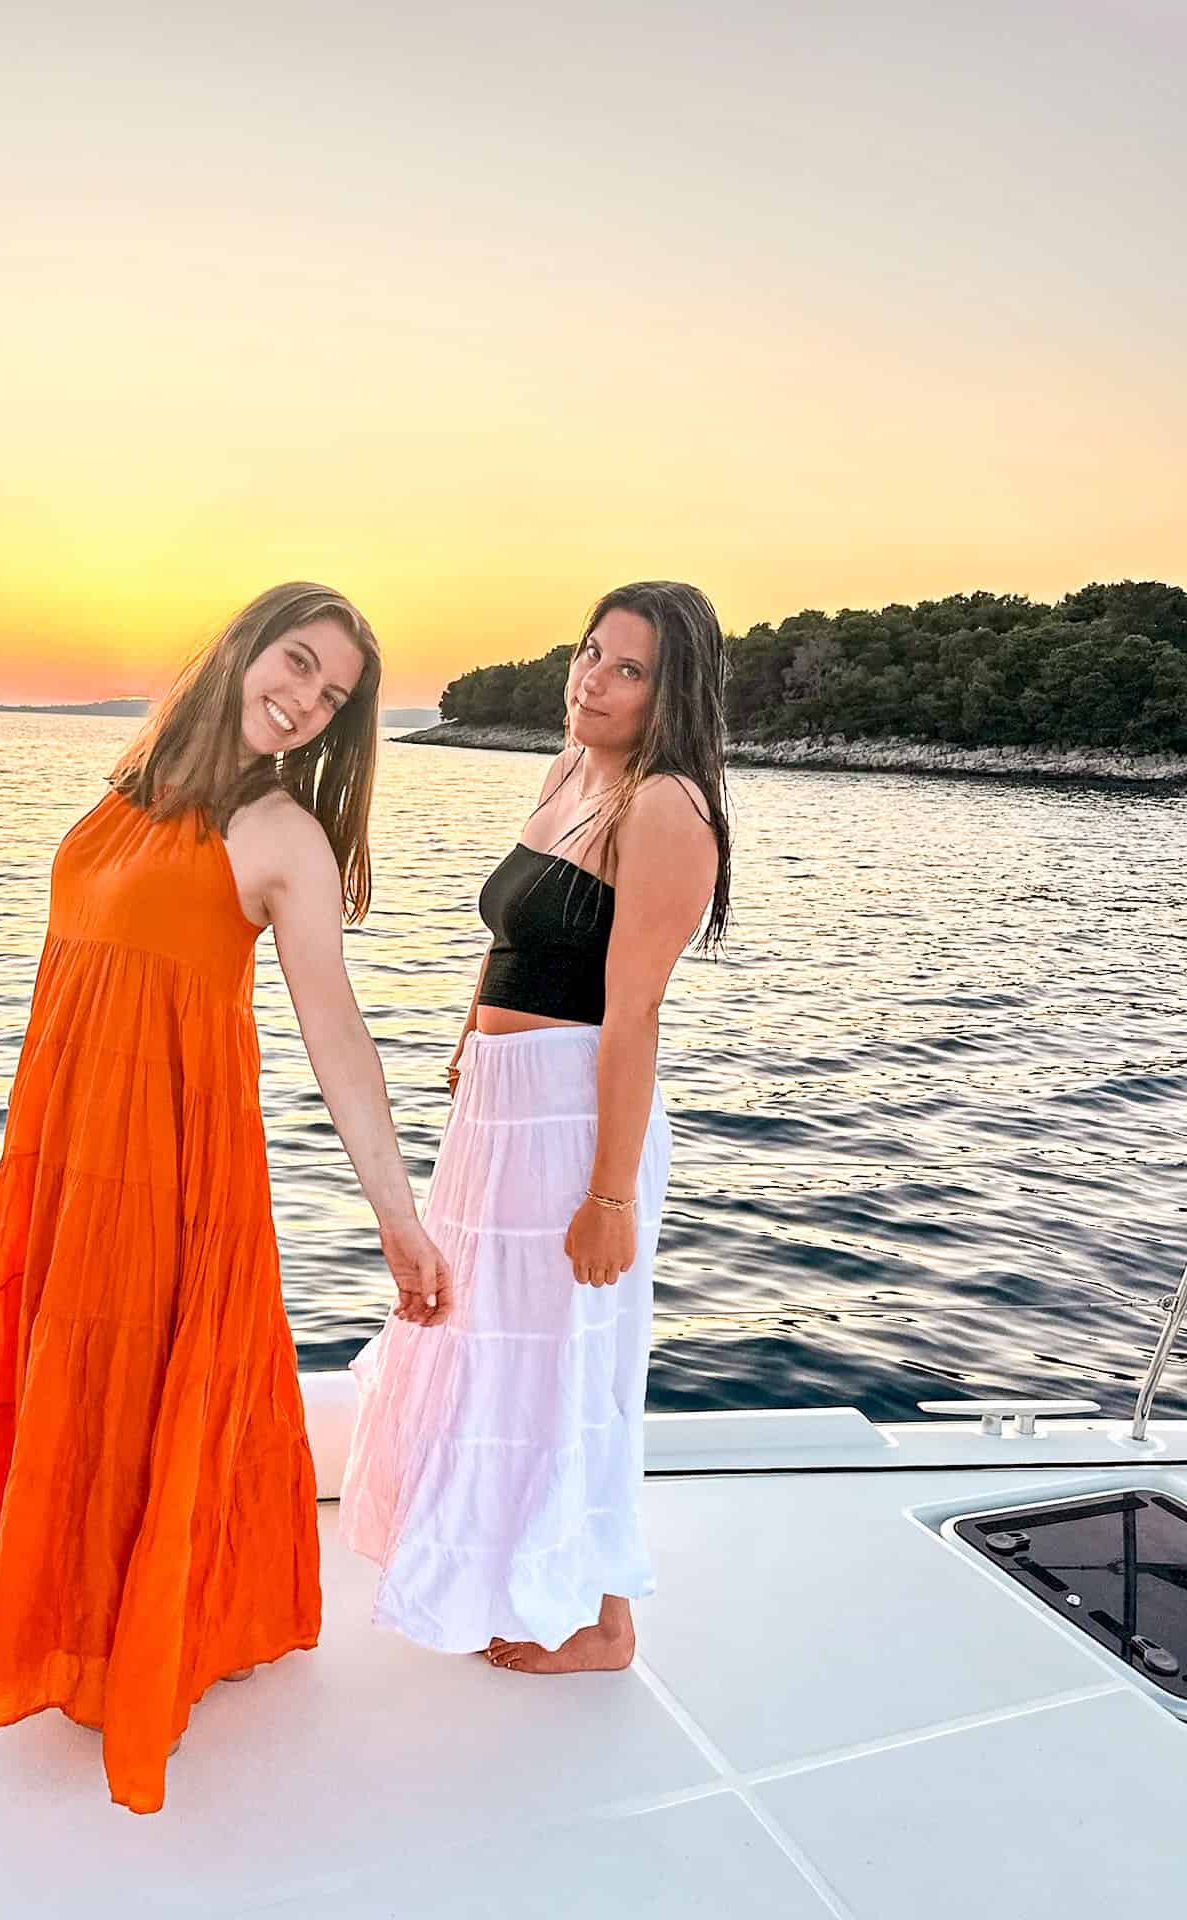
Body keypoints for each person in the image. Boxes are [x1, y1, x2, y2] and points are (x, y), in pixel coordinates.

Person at [0, 582, 450, 1814]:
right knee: (77, 1378)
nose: (306, 700)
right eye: (296, 663)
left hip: (165, 1159)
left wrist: (399, 1213)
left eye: (332, 696)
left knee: (133, 1384)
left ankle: (141, 1638)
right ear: (240, 648)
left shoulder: (282, 835)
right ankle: (73, 1612)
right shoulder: (136, 785)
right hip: (66, 1144)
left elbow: (336, 1033)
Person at [340, 581, 730, 1674]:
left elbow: (633, 1013)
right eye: (589, 653)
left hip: (571, 1120)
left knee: (569, 1354)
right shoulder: (570, 772)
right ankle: (510, 1573)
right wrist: (470, 1039)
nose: (590, 681)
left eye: (627, 669)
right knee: (482, 1340)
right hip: (502, 1111)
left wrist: (609, 1198)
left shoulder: (665, 808)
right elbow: (509, 933)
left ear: (673, 691)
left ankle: (604, 1620)